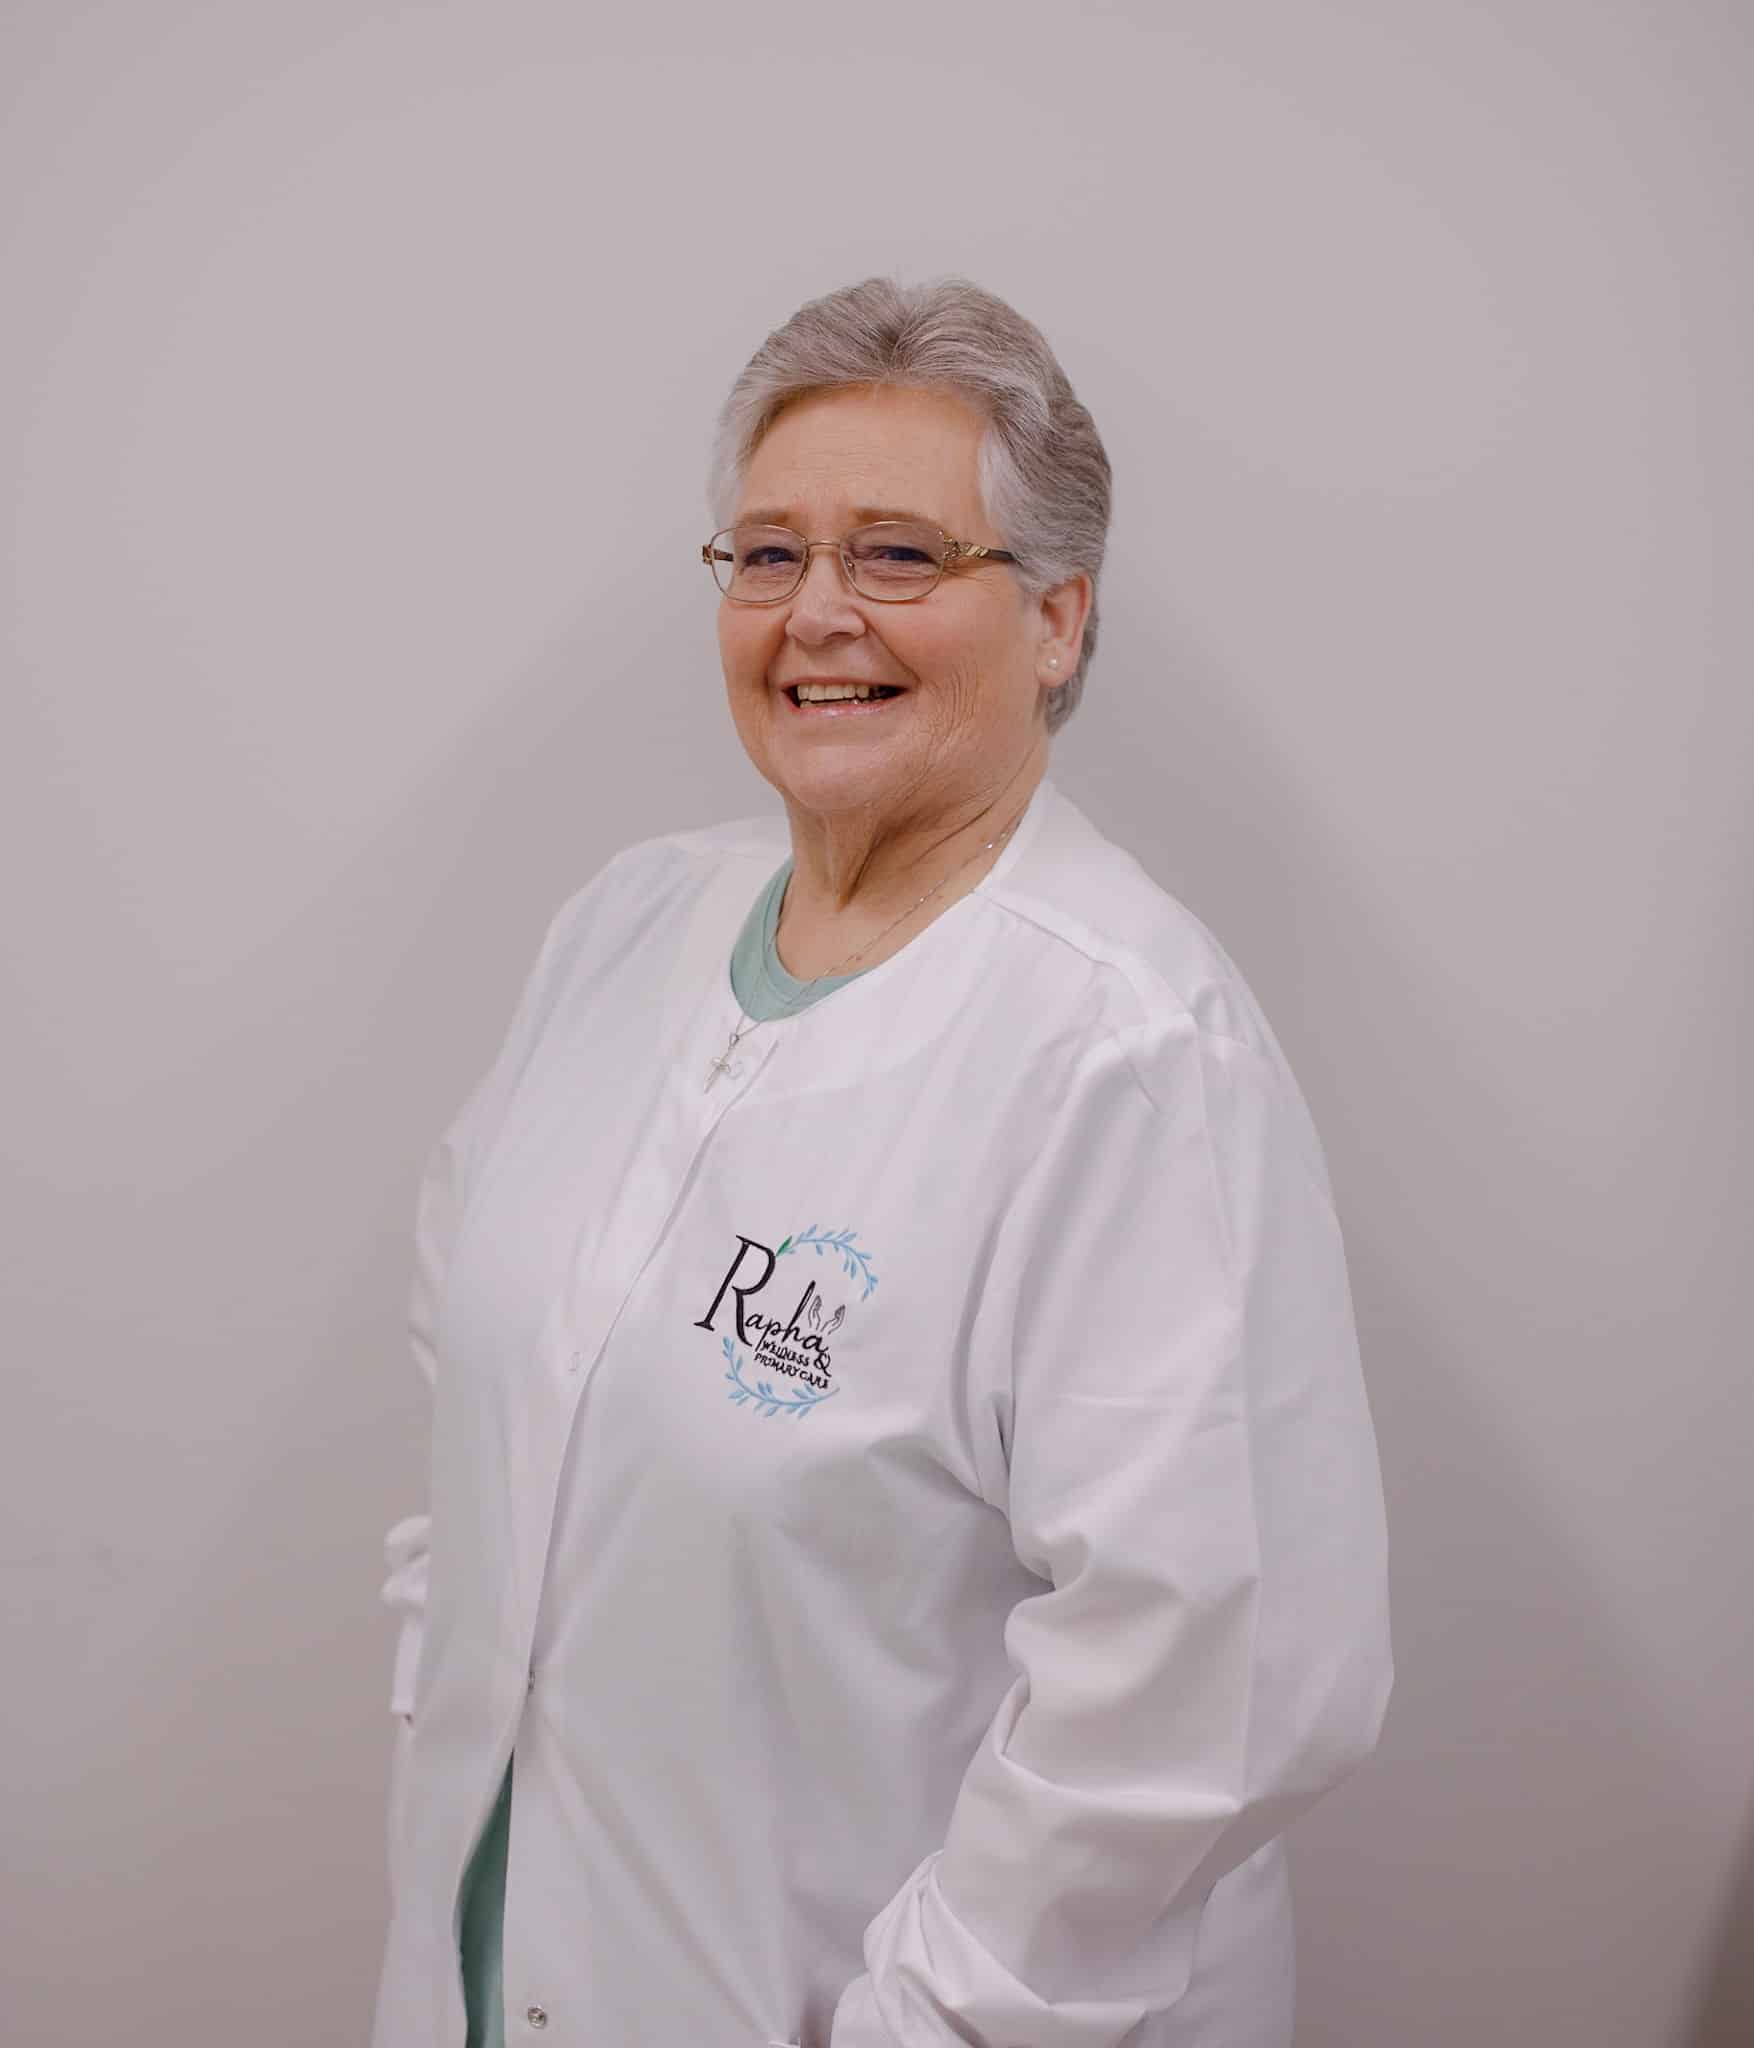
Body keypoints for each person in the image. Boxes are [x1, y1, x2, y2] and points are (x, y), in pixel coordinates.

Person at [369, 274, 1393, 2048]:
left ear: (1058, 620)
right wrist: (463, 1680)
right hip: (511, 1958)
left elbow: (1213, 1692)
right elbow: (478, 1373)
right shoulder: (627, 927)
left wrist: (921, 2019)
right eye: (765, 556)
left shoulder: (1126, 1052)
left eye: (900, 557)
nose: (815, 616)